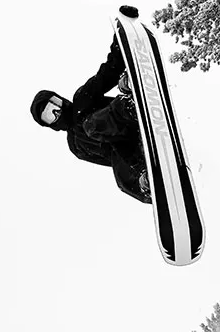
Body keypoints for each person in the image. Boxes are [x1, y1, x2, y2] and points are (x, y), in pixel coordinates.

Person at [30, 31, 151, 204]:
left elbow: (109, 71)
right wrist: (133, 167)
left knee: (90, 126)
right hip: (131, 150)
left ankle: (129, 100)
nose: (57, 112)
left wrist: (122, 36)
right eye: (50, 115)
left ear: (59, 99)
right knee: (121, 179)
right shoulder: (76, 147)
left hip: (130, 120)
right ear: (50, 125)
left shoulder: (82, 99)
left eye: (53, 105)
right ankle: (147, 185)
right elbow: (110, 161)